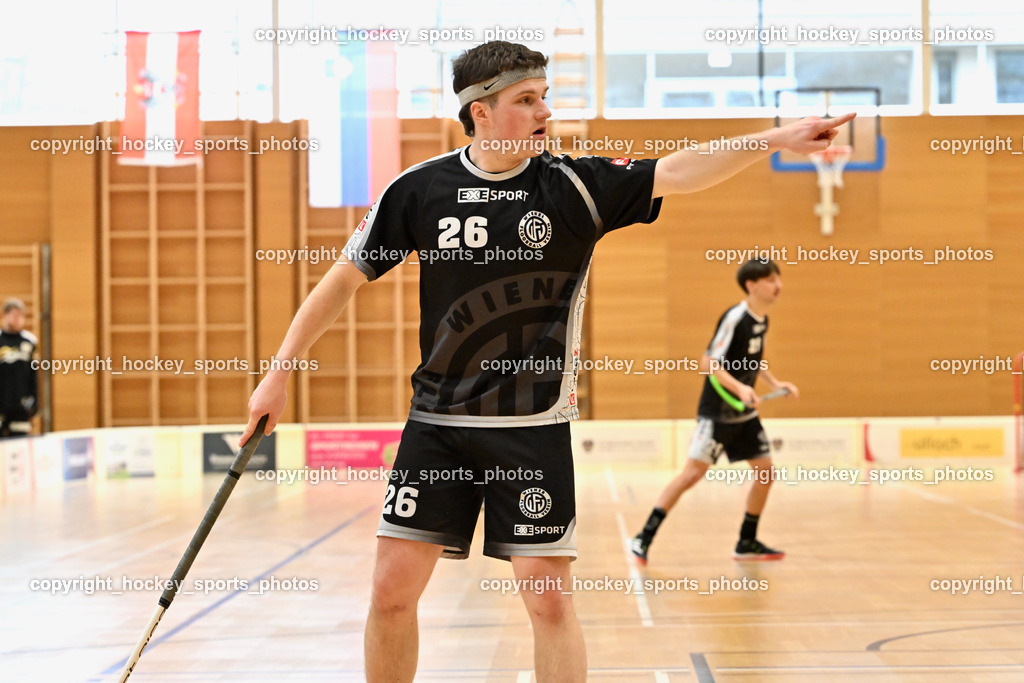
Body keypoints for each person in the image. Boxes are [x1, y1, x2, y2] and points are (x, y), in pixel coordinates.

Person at [241, 41, 848, 682]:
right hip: (437, 426)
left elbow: (678, 170)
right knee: (391, 592)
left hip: (531, 427)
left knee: (548, 596)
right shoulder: (419, 191)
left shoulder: (576, 188)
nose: (544, 112)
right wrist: (279, 372)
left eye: (544, 97)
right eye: (526, 100)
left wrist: (779, 137)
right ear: (480, 111)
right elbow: (341, 279)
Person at [631, 259, 799, 565]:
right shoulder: (735, 318)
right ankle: (644, 537)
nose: (779, 286)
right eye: (772, 280)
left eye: (779, 279)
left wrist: (775, 382)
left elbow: (753, 360)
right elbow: (709, 363)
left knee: (766, 473)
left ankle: (746, 542)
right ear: (752, 285)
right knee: (692, 475)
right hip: (718, 413)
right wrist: (740, 389)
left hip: (744, 415)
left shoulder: (762, 320)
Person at [0, 298, 39, 438]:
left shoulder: (29, 341)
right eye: (15, 315)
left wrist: (34, 403)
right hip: (1, 402)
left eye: (21, 316)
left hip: (20, 405)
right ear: (5, 315)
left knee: (18, 445)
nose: (18, 319)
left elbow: (33, 374)